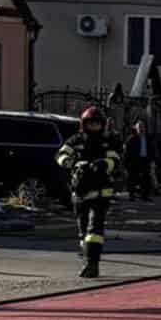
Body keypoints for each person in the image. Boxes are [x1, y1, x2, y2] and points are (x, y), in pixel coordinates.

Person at [56, 106, 122, 279]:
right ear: (83, 124)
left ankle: (93, 264)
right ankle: (87, 259)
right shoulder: (75, 140)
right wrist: (69, 163)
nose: (94, 128)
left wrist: (102, 164)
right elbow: (60, 155)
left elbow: (115, 159)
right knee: (83, 231)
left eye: (96, 124)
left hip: (101, 191)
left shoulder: (108, 141)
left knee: (95, 228)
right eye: (90, 124)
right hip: (80, 192)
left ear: (103, 125)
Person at [125, 119, 152, 200]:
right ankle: (132, 195)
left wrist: (152, 160)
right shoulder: (131, 139)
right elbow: (127, 151)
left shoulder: (148, 138)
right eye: (139, 127)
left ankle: (145, 195)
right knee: (132, 178)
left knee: (146, 178)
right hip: (134, 161)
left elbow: (151, 149)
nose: (141, 129)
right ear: (136, 129)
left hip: (145, 160)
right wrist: (127, 162)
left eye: (142, 127)